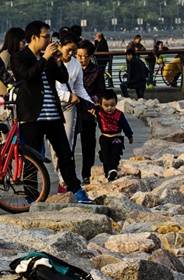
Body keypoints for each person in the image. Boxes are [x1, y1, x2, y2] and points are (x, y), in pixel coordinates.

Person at [11, 20, 93, 203]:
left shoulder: (48, 59)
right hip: (32, 115)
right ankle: (32, 195)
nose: (49, 40)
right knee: (32, 157)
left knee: (65, 153)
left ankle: (75, 189)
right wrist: (46, 59)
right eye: (46, 36)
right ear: (33, 38)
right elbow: (26, 76)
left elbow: (63, 78)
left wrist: (58, 62)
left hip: (53, 114)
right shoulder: (19, 57)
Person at [56, 32, 94, 158]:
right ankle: (60, 172)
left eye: (74, 50)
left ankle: (64, 175)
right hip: (53, 105)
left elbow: (79, 87)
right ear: (60, 45)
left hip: (69, 106)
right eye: (68, 50)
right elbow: (50, 89)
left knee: (68, 141)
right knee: (54, 143)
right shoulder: (51, 62)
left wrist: (90, 104)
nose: (71, 53)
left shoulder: (75, 64)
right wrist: (67, 96)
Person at [75, 40, 106, 183]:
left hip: (89, 112)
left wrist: (94, 101)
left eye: (84, 56)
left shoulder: (97, 71)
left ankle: (87, 174)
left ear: (91, 56)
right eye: (78, 55)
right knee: (70, 145)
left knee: (89, 145)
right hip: (73, 111)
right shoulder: (72, 68)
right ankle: (69, 177)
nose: (80, 59)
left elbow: (101, 91)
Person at [94, 89, 132, 180]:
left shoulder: (119, 114)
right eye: (106, 105)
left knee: (115, 154)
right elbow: (88, 106)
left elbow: (125, 125)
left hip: (117, 137)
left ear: (116, 104)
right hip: (105, 137)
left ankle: (113, 170)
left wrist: (129, 136)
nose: (109, 108)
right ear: (101, 104)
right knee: (105, 155)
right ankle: (108, 171)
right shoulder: (99, 111)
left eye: (112, 105)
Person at [0, 27, 26, 95]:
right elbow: (1, 73)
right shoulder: (5, 54)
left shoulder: (15, 56)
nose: (24, 45)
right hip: (5, 94)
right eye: (23, 42)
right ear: (15, 41)